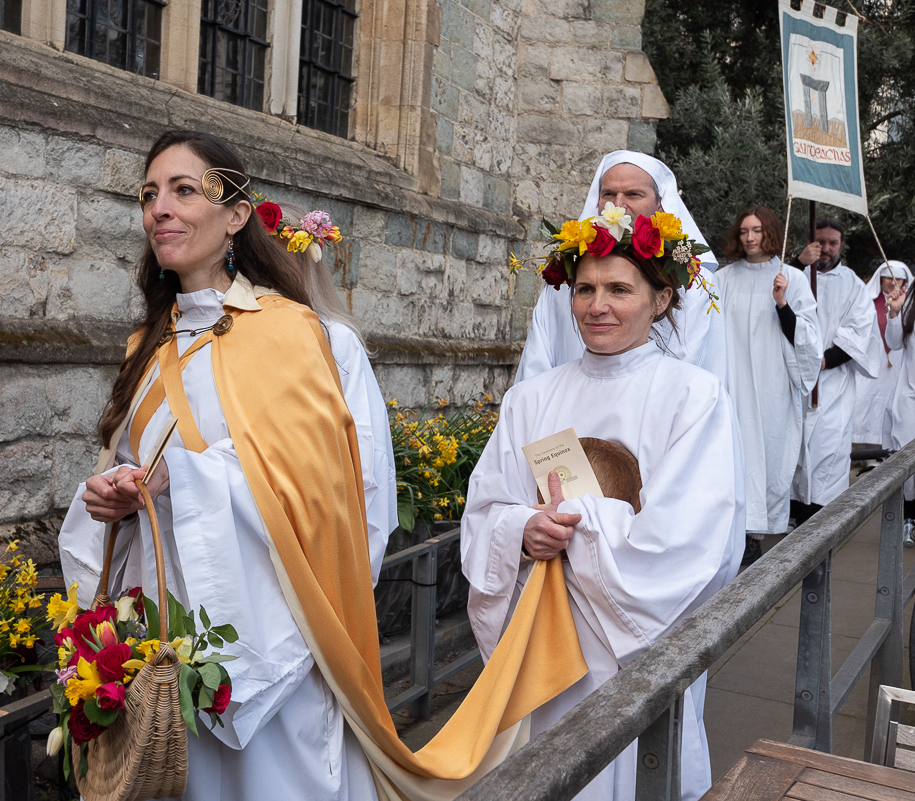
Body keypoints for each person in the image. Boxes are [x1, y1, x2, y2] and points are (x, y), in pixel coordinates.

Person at [57, 131, 587, 801]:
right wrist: (109, 493)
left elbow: (329, 485)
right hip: (167, 637)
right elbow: (135, 464)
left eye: (184, 190)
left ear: (236, 214)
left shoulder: (291, 332)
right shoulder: (149, 344)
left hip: (269, 633)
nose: (160, 207)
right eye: (149, 194)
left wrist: (184, 478)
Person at [463, 210, 745, 801]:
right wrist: (521, 530)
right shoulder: (531, 398)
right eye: (586, 289)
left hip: (637, 644)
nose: (598, 306)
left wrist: (580, 523)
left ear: (661, 299)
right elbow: (487, 506)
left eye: (620, 289)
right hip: (553, 645)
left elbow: (698, 536)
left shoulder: (692, 396)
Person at [515, 151, 727, 384]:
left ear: (661, 203)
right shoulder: (569, 275)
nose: (618, 205)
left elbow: (698, 369)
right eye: (608, 194)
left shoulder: (692, 282)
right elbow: (536, 365)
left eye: (633, 194)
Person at [718, 206, 821, 565]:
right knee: (733, 455)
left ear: (770, 233)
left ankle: (755, 532)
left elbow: (808, 340)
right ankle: (733, 531)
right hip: (733, 382)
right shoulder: (723, 279)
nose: (749, 237)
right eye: (744, 230)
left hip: (772, 384)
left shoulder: (790, 278)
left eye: (757, 230)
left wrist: (782, 303)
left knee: (765, 454)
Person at [790, 219, 882, 526]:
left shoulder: (853, 284)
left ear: (840, 245)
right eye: (821, 242)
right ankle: (792, 510)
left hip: (833, 382)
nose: (826, 249)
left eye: (833, 243)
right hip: (794, 378)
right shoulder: (795, 276)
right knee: (794, 445)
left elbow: (860, 331)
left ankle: (819, 515)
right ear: (810, 243)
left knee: (827, 446)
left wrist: (826, 359)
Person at [854, 261, 912, 446]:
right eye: (888, 277)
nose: (893, 282)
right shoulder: (866, 301)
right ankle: (865, 450)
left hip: (899, 367)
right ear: (879, 278)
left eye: (898, 278)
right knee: (866, 405)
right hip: (873, 363)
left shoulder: (909, 302)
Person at [881, 278, 915, 543]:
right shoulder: (911, 294)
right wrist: (895, 311)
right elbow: (894, 343)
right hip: (910, 397)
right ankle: (909, 520)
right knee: (908, 464)